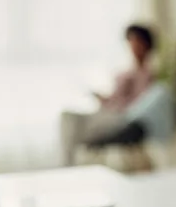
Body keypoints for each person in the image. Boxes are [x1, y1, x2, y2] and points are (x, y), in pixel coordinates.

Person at [60, 24, 157, 166]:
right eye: (130, 41)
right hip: (106, 112)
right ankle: (67, 165)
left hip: (120, 117)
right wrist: (102, 98)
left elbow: (140, 104)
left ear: (146, 45)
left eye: (136, 41)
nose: (132, 45)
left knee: (76, 130)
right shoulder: (124, 72)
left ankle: (71, 168)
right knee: (67, 117)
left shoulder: (148, 74)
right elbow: (113, 99)